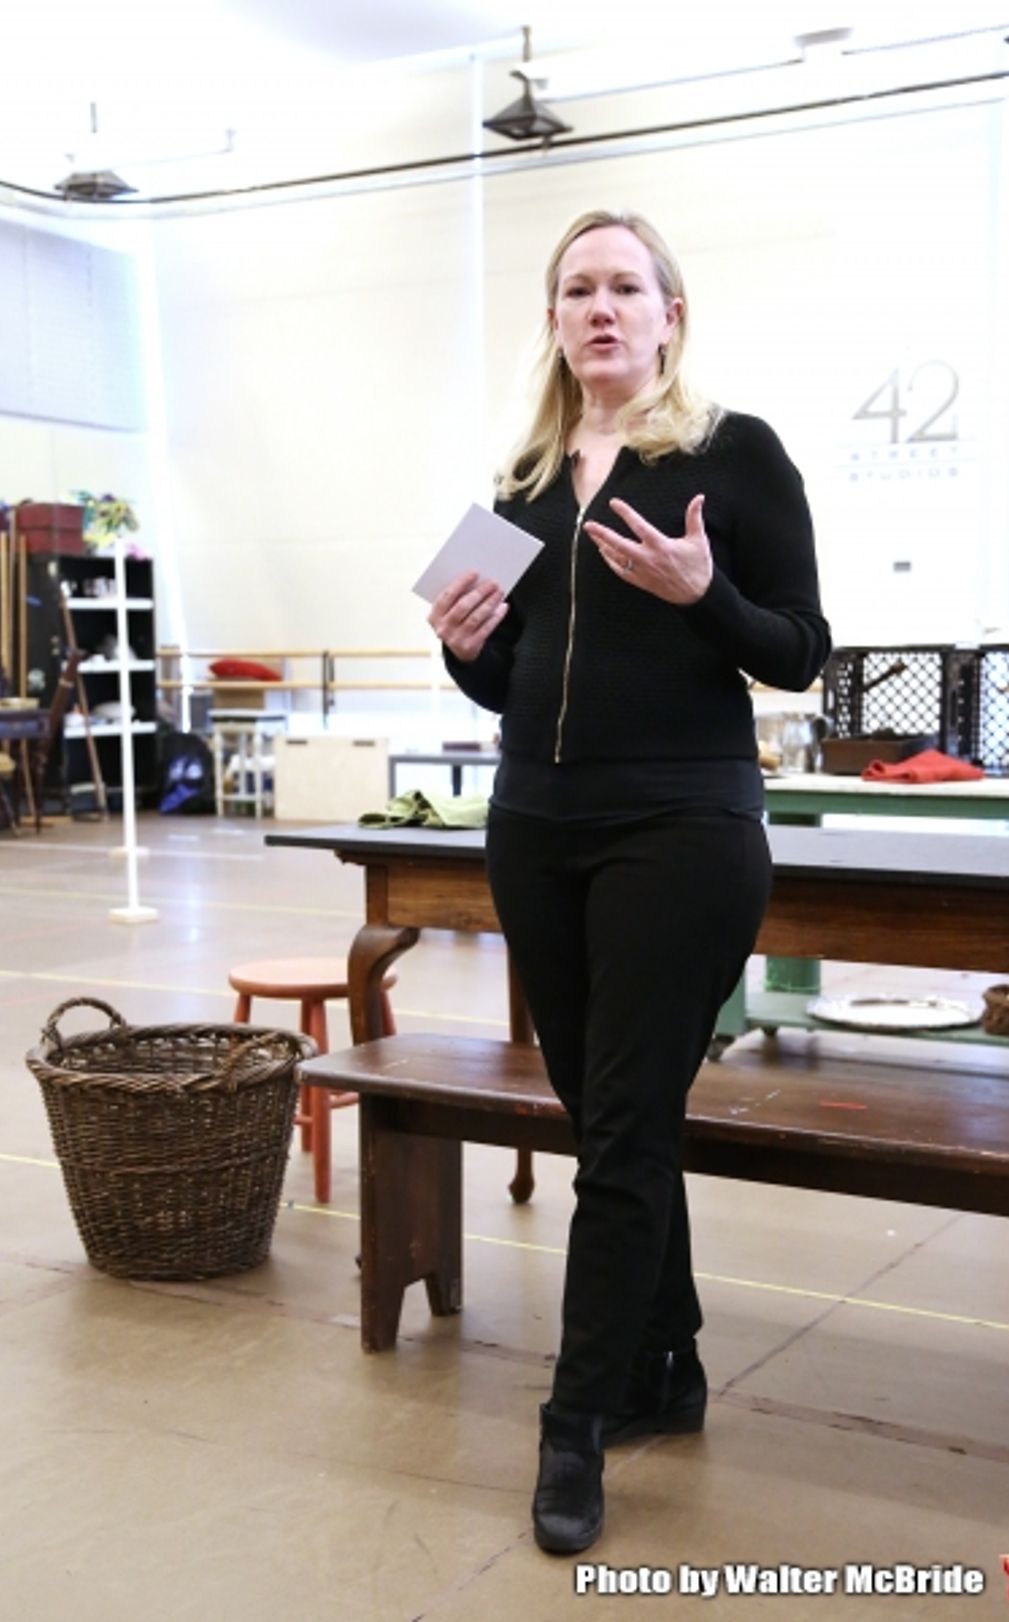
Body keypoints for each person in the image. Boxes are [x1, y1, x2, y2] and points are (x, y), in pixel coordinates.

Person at [427, 209, 830, 1555]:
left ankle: (576, 1420)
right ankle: (671, 1363)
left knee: (621, 1129)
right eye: (577, 289)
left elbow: (800, 650)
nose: (601, 308)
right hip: (536, 827)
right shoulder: (521, 482)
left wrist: (704, 592)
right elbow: (505, 680)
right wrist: (462, 646)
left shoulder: (732, 454)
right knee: (614, 1115)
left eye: (625, 288)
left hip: (681, 827)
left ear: (669, 315)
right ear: (554, 320)